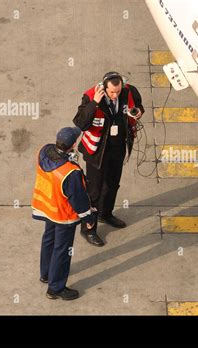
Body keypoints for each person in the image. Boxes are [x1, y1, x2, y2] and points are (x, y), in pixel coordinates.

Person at [73, 72, 144, 246]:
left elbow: (139, 106)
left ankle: (106, 213)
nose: (115, 95)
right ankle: (88, 228)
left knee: (112, 184)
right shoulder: (90, 97)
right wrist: (94, 103)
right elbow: (80, 122)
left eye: (118, 91)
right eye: (112, 92)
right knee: (94, 190)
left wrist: (138, 112)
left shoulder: (129, 92)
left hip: (118, 147)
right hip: (97, 150)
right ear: (104, 88)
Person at [31, 127, 96, 300]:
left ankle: (45, 274)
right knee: (62, 250)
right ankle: (56, 288)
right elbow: (79, 201)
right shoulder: (70, 172)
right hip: (62, 215)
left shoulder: (44, 151)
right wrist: (89, 218)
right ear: (73, 144)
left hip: (46, 207)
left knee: (48, 240)